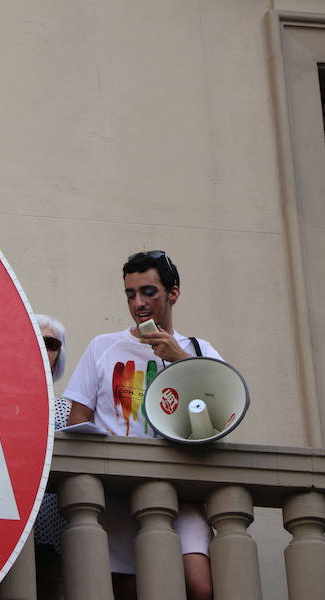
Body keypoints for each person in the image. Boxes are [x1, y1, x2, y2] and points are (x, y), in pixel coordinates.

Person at [65, 251, 219, 600]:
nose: (138, 304)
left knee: (199, 586)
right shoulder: (103, 346)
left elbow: (223, 416)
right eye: (130, 295)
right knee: (124, 589)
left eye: (148, 292)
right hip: (115, 495)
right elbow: (77, 419)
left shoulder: (200, 350)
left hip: (181, 491)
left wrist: (181, 360)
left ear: (173, 293)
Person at [32, 314, 68, 600]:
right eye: (34, 339)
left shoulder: (69, 411)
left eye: (51, 343)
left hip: (54, 531)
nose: (42, 348)